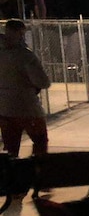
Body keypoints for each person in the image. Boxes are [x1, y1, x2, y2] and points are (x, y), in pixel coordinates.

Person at [0, 19, 51, 158]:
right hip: (28, 108)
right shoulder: (25, 55)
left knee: (10, 149)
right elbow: (43, 82)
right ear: (19, 34)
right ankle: (36, 172)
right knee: (40, 143)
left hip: (5, 109)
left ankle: (10, 176)